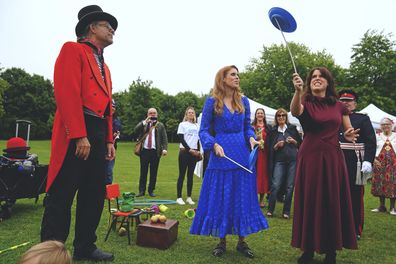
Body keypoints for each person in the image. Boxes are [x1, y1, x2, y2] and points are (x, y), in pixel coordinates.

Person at [40, 5, 116, 262]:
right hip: (77, 128)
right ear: (92, 27)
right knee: (62, 193)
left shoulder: (105, 67)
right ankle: (51, 252)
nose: (112, 29)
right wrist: (78, 135)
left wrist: (108, 140)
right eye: (107, 25)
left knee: (94, 193)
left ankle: (85, 246)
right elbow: (67, 94)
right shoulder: (72, 49)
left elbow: (107, 108)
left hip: (96, 130)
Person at [190, 65, 269, 259]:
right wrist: (213, 144)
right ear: (222, 79)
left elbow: (247, 128)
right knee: (223, 196)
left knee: (240, 196)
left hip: (242, 153)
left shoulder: (244, 102)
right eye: (233, 74)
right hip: (221, 154)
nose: (237, 77)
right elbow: (204, 131)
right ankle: (222, 241)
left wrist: (251, 138)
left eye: (238, 75)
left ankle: (242, 241)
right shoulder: (212, 102)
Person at [290, 67, 359, 264]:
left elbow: (347, 128)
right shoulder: (305, 102)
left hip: (332, 158)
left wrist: (347, 134)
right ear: (309, 82)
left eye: (321, 77)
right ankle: (308, 250)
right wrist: (297, 91)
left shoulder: (339, 106)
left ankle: (331, 251)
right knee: (310, 200)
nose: (317, 79)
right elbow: (295, 111)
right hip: (310, 157)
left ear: (328, 82)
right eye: (313, 77)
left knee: (332, 201)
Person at [338, 89, 376, 238]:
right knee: (337, 193)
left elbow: (371, 142)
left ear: (355, 103)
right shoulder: (334, 118)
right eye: (342, 101)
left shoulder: (362, 119)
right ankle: (338, 226)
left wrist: (368, 160)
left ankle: (354, 229)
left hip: (356, 160)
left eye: (348, 101)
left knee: (355, 195)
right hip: (337, 159)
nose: (345, 103)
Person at [266, 108, 301, 219]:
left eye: (283, 115)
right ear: (276, 118)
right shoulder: (272, 131)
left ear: (286, 117)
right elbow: (268, 147)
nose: (281, 117)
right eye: (279, 116)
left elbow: (301, 144)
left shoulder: (292, 129)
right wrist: (276, 146)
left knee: (290, 187)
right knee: (275, 185)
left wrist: (294, 141)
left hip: (292, 160)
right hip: (279, 161)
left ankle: (286, 211)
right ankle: (270, 210)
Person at [134, 108, 168, 197]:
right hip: (144, 151)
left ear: (157, 114)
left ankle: (151, 190)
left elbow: (164, 138)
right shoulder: (144, 124)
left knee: (154, 172)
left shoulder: (160, 125)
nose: (152, 115)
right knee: (143, 172)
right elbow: (135, 130)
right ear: (147, 114)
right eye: (150, 113)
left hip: (155, 152)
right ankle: (141, 191)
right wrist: (145, 121)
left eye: (154, 113)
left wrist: (165, 148)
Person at [371, 117, 396, 216]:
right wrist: (374, 159)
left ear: (392, 125)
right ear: (381, 126)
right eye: (383, 124)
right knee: (380, 183)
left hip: (394, 163)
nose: (386, 126)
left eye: (388, 124)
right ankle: (382, 206)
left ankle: (392, 208)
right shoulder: (377, 136)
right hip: (379, 163)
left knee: (393, 183)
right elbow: (371, 149)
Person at [176, 106, 201, 205]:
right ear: (186, 114)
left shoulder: (197, 126)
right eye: (189, 112)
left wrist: (198, 151)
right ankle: (179, 197)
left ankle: (189, 197)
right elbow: (181, 138)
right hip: (184, 152)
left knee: (190, 175)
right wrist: (189, 149)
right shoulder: (182, 124)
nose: (191, 114)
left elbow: (198, 140)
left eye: (192, 112)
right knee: (182, 174)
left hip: (194, 153)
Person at [251, 108, 271, 208]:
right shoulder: (252, 127)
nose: (260, 115)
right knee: (254, 175)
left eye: (261, 113)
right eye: (258, 113)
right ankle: (253, 199)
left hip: (264, 154)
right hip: (254, 153)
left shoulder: (268, 127)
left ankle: (261, 200)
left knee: (263, 176)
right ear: (255, 115)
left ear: (264, 115)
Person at [105, 99, 122, 185]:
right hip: (100, 148)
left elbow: (118, 131)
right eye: (110, 107)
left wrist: (116, 133)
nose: (112, 108)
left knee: (109, 171)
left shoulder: (117, 120)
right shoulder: (102, 118)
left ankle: (108, 193)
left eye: (114, 107)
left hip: (111, 149)